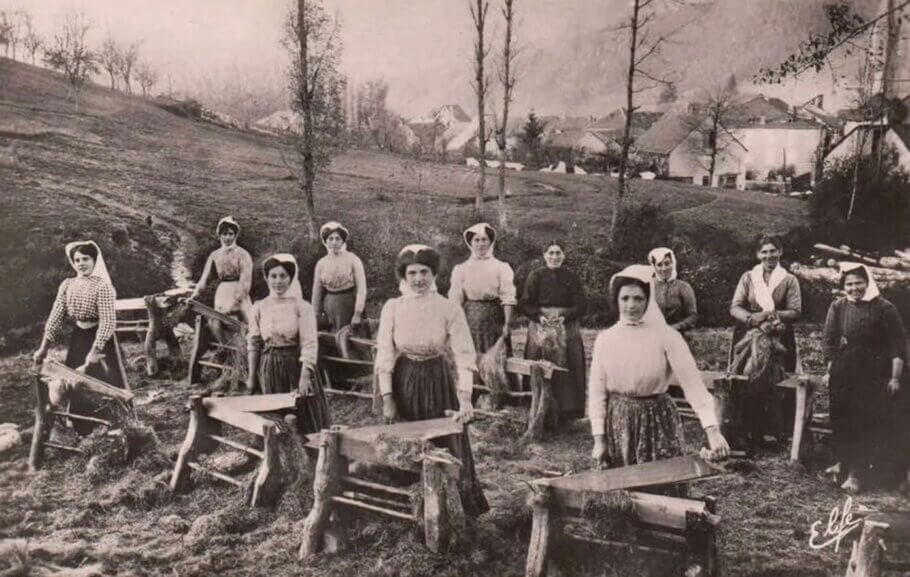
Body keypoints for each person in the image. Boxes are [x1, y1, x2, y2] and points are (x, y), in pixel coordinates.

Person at [376, 244, 489, 517]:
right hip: (405, 379)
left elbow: (464, 354)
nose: (418, 279)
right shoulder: (393, 307)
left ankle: (453, 507)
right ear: (403, 275)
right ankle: (410, 507)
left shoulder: (448, 307)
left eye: (424, 271)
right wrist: (388, 399)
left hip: (437, 381)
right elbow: (385, 354)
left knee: (446, 441)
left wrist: (464, 399)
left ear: (434, 273)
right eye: (412, 272)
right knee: (406, 441)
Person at [588, 265, 729, 472]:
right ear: (616, 300)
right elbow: (597, 392)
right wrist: (599, 440)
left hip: (658, 421)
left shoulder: (667, 336)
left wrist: (713, 431)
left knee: (663, 481)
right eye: (625, 298)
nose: (631, 305)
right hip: (619, 422)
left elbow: (694, 386)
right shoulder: (605, 339)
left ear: (649, 300)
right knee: (623, 486)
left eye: (638, 298)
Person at [823, 263, 906, 494]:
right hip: (846, 369)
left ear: (867, 282)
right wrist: (832, 369)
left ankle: (857, 474)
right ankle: (843, 462)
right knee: (841, 417)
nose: (854, 288)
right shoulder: (838, 306)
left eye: (858, 283)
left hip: (875, 372)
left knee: (864, 422)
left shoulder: (884, 307)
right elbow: (829, 341)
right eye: (848, 284)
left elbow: (897, 345)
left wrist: (895, 378)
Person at [32, 241, 125, 435]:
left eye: (85, 259)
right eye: (77, 260)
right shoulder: (67, 285)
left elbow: (108, 323)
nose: (81, 263)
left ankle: (115, 427)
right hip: (79, 337)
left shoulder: (104, 287)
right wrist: (43, 348)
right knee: (75, 381)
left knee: (105, 382)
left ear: (94, 260)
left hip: (101, 341)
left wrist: (93, 354)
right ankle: (84, 429)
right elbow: (55, 317)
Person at [247, 254, 329, 434]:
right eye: (273, 276)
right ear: (267, 278)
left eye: (283, 276)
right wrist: (252, 377)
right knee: (274, 415)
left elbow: (309, 342)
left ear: (291, 278)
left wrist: (305, 375)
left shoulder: (302, 307)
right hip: (269, 367)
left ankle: (308, 455)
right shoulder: (259, 307)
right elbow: (254, 343)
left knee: (301, 412)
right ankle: (276, 455)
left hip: (296, 366)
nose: (278, 281)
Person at [519, 241, 587, 421]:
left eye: (558, 253)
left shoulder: (572, 277)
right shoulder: (535, 276)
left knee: (568, 363)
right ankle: (538, 408)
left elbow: (581, 304)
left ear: (564, 255)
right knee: (538, 361)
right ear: (544, 255)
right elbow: (525, 303)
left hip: (566, 325)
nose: (555, 257)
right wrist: (540, 317)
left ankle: (567, 411)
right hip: (541, 324)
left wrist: (565, 317)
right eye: (551, 253)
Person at [448, 223, 517, 356]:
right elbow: (455, 301)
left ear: (491, 241)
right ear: (470, 243)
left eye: (484, 239)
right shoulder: (461, 269)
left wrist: (507, 324)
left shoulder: (502, 267)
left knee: (495, 360)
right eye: (476, 240)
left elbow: (508, 297)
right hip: (470, 320)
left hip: (494, 319)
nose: (480, 244)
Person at [190, 216, 253, 343]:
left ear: (235, 235)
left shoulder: (243, 254)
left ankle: (250, 351)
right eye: (224, 234)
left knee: (247, 323)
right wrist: (194, 294)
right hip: (223, 292)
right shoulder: (214, 255)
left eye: (231, 234)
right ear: (219, 235)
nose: (228, 237)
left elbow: (246, 279)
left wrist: (237, 300)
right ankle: (225, 348)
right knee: (218, 321)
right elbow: (204, 278)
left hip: (238, 289)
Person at [312, 221, 368, 332]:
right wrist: (315, 315)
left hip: (348, 305)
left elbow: (361, 289)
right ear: (325, 241)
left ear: (343, 241)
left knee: (350, 339)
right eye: (330, 239)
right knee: (331, 340)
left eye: (337, 239)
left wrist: (357, 313)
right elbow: (317, 292)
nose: (334, 242)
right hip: (329, 306)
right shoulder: (321, 263)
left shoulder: (353, 259)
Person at [648, 247, 697, 334]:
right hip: (651, 335)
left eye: (667, 263)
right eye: (659, 265)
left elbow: (692, 317)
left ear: (673, 264)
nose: (664, 268)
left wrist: (675, 327)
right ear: (654, 267)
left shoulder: (683, 287)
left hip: (676, 336)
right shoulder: (648, 286)